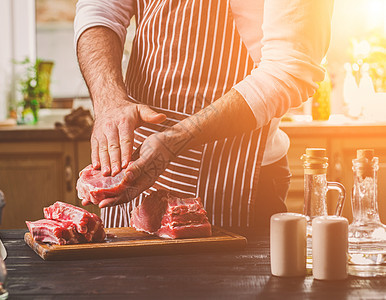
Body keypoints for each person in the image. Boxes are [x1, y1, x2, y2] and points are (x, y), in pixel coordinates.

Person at [74, 0, 333, 228]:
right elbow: (100, 9)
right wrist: (109, 101)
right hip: (133, 164)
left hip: (238, 172)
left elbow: (289, 69)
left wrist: (175, 140)